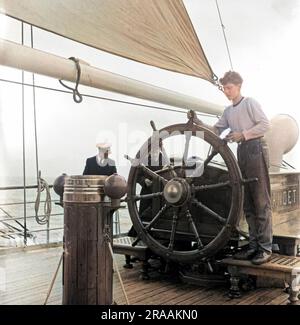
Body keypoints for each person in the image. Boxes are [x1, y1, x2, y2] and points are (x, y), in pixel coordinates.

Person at [188, 71, 272, 265]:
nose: (227, 92)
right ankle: (253, 247)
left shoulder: (250, 103)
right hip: (242, 152)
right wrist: (198, 123)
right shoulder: (228, 111)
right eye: (225, 88)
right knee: (248, 203)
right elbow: (215, 131)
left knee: (261, 200)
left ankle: (265, 248)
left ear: (239, 87)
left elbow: (265, 125)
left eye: (229, 88)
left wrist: (242, 134)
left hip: (256, 149)